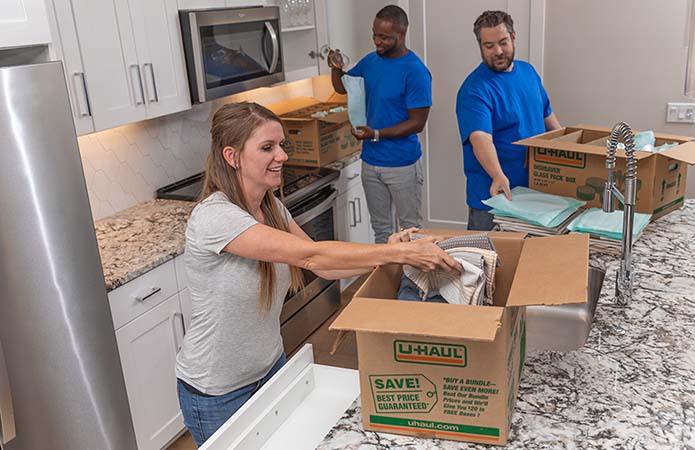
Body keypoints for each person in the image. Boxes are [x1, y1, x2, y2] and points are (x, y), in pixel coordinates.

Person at [175, 102, 460, 446]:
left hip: (270, 367)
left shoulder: (271, 207)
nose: (281, 155)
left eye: (281, 145)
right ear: (232, 156)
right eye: (267, 147)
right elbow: (311, 256)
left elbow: (325, 267)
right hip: (217, 390)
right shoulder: (215, 218)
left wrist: (392, 257)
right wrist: (396, 252)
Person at [328, 5, 432, 244]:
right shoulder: (370, 62)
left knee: (411, 231)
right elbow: (342, 86)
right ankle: (387, 281)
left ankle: (413, 283)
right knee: (381, 231)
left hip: (402, 164)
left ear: (402, 35)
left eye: (384, 37)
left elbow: (417, 123)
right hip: (371, 163)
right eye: (375, 34)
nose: (377, 41)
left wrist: (376, 133)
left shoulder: (416, 71)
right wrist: (336, 68)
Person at [456, 10, 562, 231]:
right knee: (486, 261)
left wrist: (566, 149)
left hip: (535, 192)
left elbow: (546, 115)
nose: (498, 51)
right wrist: (497, 175)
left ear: (513, 37)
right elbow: (480, 137)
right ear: (480, 46)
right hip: (495, 198)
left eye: (503, 42)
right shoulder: (474, 90)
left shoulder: (528, 72)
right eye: (489, 46)